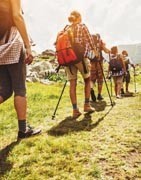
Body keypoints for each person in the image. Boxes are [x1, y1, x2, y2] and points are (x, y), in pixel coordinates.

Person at [0, 0, 41, 139]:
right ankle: (23, 130)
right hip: (12, 42)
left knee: (4, 90)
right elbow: (17, 16)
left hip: (0, 46)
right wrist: (28, 46)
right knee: (20, 89)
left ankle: (24, 129)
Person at [65, 10, 98, 118]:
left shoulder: (66, 28)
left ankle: (75, 110)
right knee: (87, 80)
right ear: (79, 17)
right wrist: (95, 51)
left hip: (68, 59)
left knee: (72, 83)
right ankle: (87, 105)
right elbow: (90, 40)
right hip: (80, 58)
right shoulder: (82, 26)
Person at [90, 34, 110, 102]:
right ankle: (99, 95)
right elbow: (106, 51)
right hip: (99, 63)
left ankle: (91, 88)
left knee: (92, 79)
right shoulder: (100, 43)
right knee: (100, 79)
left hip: (91, 63)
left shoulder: (89, 43)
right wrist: (109, 50)